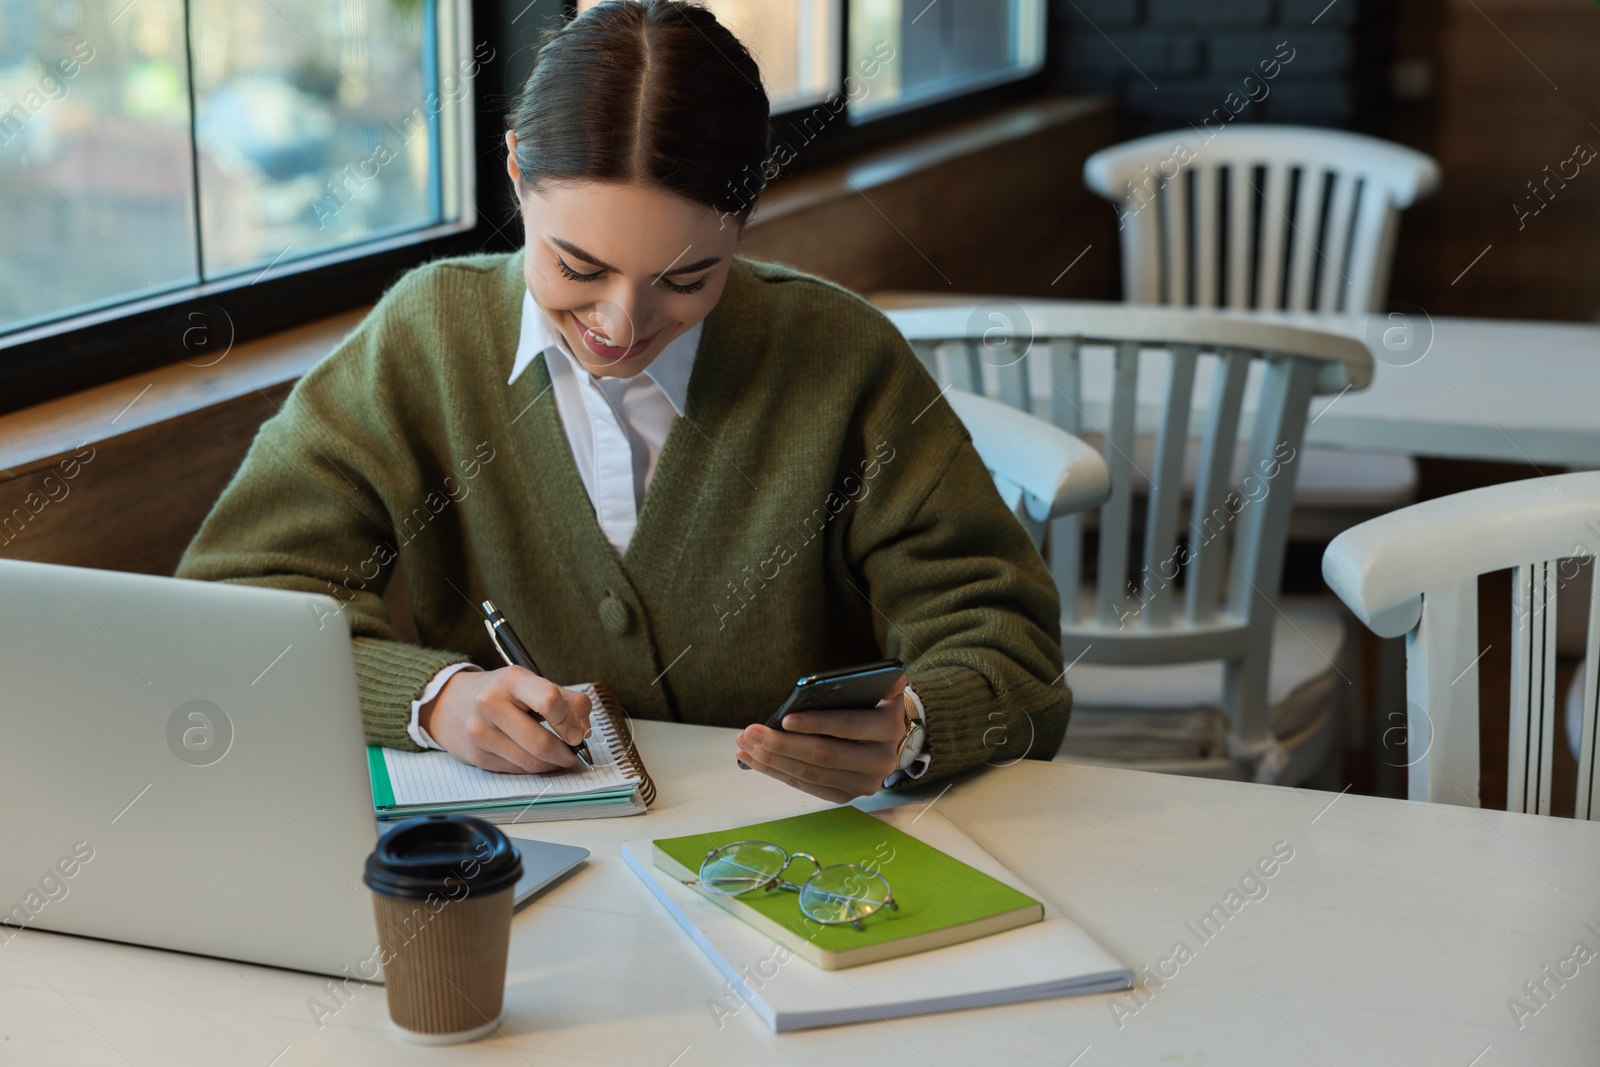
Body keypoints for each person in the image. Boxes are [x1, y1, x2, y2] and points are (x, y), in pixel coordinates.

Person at [176, 0, 1069, 803]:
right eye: (578, 267)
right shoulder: (428, 334)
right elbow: (231, 603)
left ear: (745, 219)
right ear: (518, 172)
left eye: (687, 277)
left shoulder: (843, 358)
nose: (621, 324)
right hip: (531, 863)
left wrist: (912, 728)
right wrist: (434, 698)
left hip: (812, 866)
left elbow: (1015, 656)